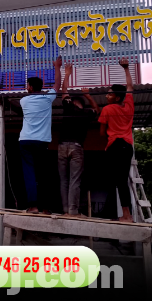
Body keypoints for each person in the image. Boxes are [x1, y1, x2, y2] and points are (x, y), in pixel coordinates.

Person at [19, 56, 62, 214]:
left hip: (25, 141)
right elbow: (57, 85)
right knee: (44, 175)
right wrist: (57, 66)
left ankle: (33, 207)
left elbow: (33, 93)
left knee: (29, 174)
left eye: (27, 86)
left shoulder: (24, 101)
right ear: (42, 87)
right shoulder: (47, 99)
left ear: (29, 87)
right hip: (42, 142)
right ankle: (45, 208)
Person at [58, 63, 100, 217]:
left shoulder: (68, 107)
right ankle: (73, 211)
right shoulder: (86, 113)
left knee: (63, 180)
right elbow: (97, 110)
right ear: (82, 104)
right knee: (74, 180)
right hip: (76, 147)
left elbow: (64, 91)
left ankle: (64, 210)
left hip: (62, 146)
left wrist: (67, 73)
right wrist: (89, 96)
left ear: (73, 102)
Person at [98, 57, 134, 223]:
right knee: (122, 180)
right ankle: (126, 215)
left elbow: (101, 132)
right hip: (127, 146)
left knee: (116, 181)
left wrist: (109, 137)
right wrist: (126, 68)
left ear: (117, 98)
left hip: (115, 146)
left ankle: (126, 215)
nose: (107, 95)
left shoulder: (107, 109)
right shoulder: (128, 106)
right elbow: (130, 87)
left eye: (110, 93)